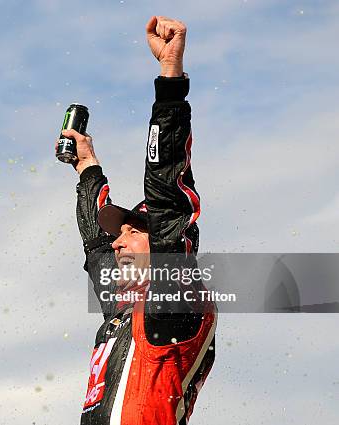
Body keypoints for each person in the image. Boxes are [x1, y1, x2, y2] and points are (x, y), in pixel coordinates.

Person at [60, 16, 217, 425]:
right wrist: (86, 166)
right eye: (120, 233)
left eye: (133, 232)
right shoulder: (122, 308)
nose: (118, 242)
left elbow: (166, 189)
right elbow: (96, 243)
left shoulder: (175, 299)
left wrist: (170, 78)